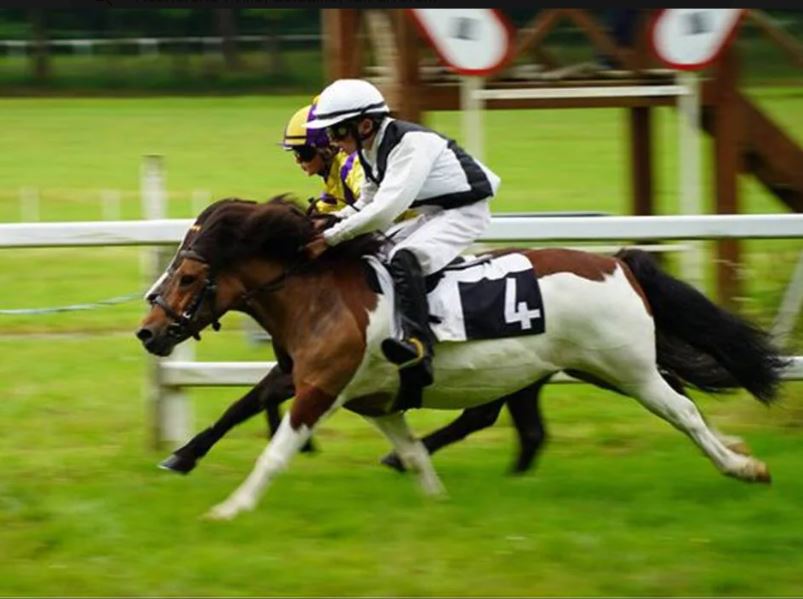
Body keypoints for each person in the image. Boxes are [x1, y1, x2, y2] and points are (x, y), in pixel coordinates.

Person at [304, 78, 501, 389]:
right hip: (436, 211)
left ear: (365, 124)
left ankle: (419, 347)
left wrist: (331, 238)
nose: (332, 139)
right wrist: (327, 222)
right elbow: (366, 201)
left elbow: (385, 211)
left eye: (337, 130)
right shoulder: (370, 149)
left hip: (465, 211)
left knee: (404, 257)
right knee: (375, 252)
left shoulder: (409, 144)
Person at [281, 98, 363, 214]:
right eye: (296, 153)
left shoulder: (351, 166)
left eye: (303, 153)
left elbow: (371, 204)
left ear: (327, 149)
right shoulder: (333, 172)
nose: (298, 161)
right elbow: (326, 208)